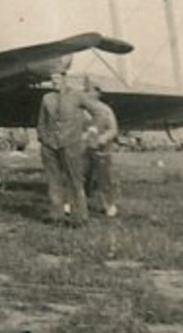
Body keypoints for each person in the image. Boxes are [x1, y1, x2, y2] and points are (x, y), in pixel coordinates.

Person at [36, 70, 89, 225]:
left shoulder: (77, 96)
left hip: (71, 144)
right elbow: (41, 122)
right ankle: (57, 216)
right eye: (52, 79)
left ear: (65, 79)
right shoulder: (46, 98)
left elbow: (96, 113)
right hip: (50, 145)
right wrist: (44, 138)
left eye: (58, 79)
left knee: (74, 180)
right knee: (54, 181)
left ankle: (79, 217)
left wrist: (86, 134)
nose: (54, 82)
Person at [79, 78, 120, 217]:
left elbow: (113, 129)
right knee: (79, 177)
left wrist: (104, 138)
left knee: (105, 178)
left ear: (98, 93)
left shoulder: (105, 110)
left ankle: (109, 206)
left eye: (91, 91)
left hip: (102, 149)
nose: (88, 93)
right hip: (83, 149)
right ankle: (77, 205)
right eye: (86, 91)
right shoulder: (80, 111)